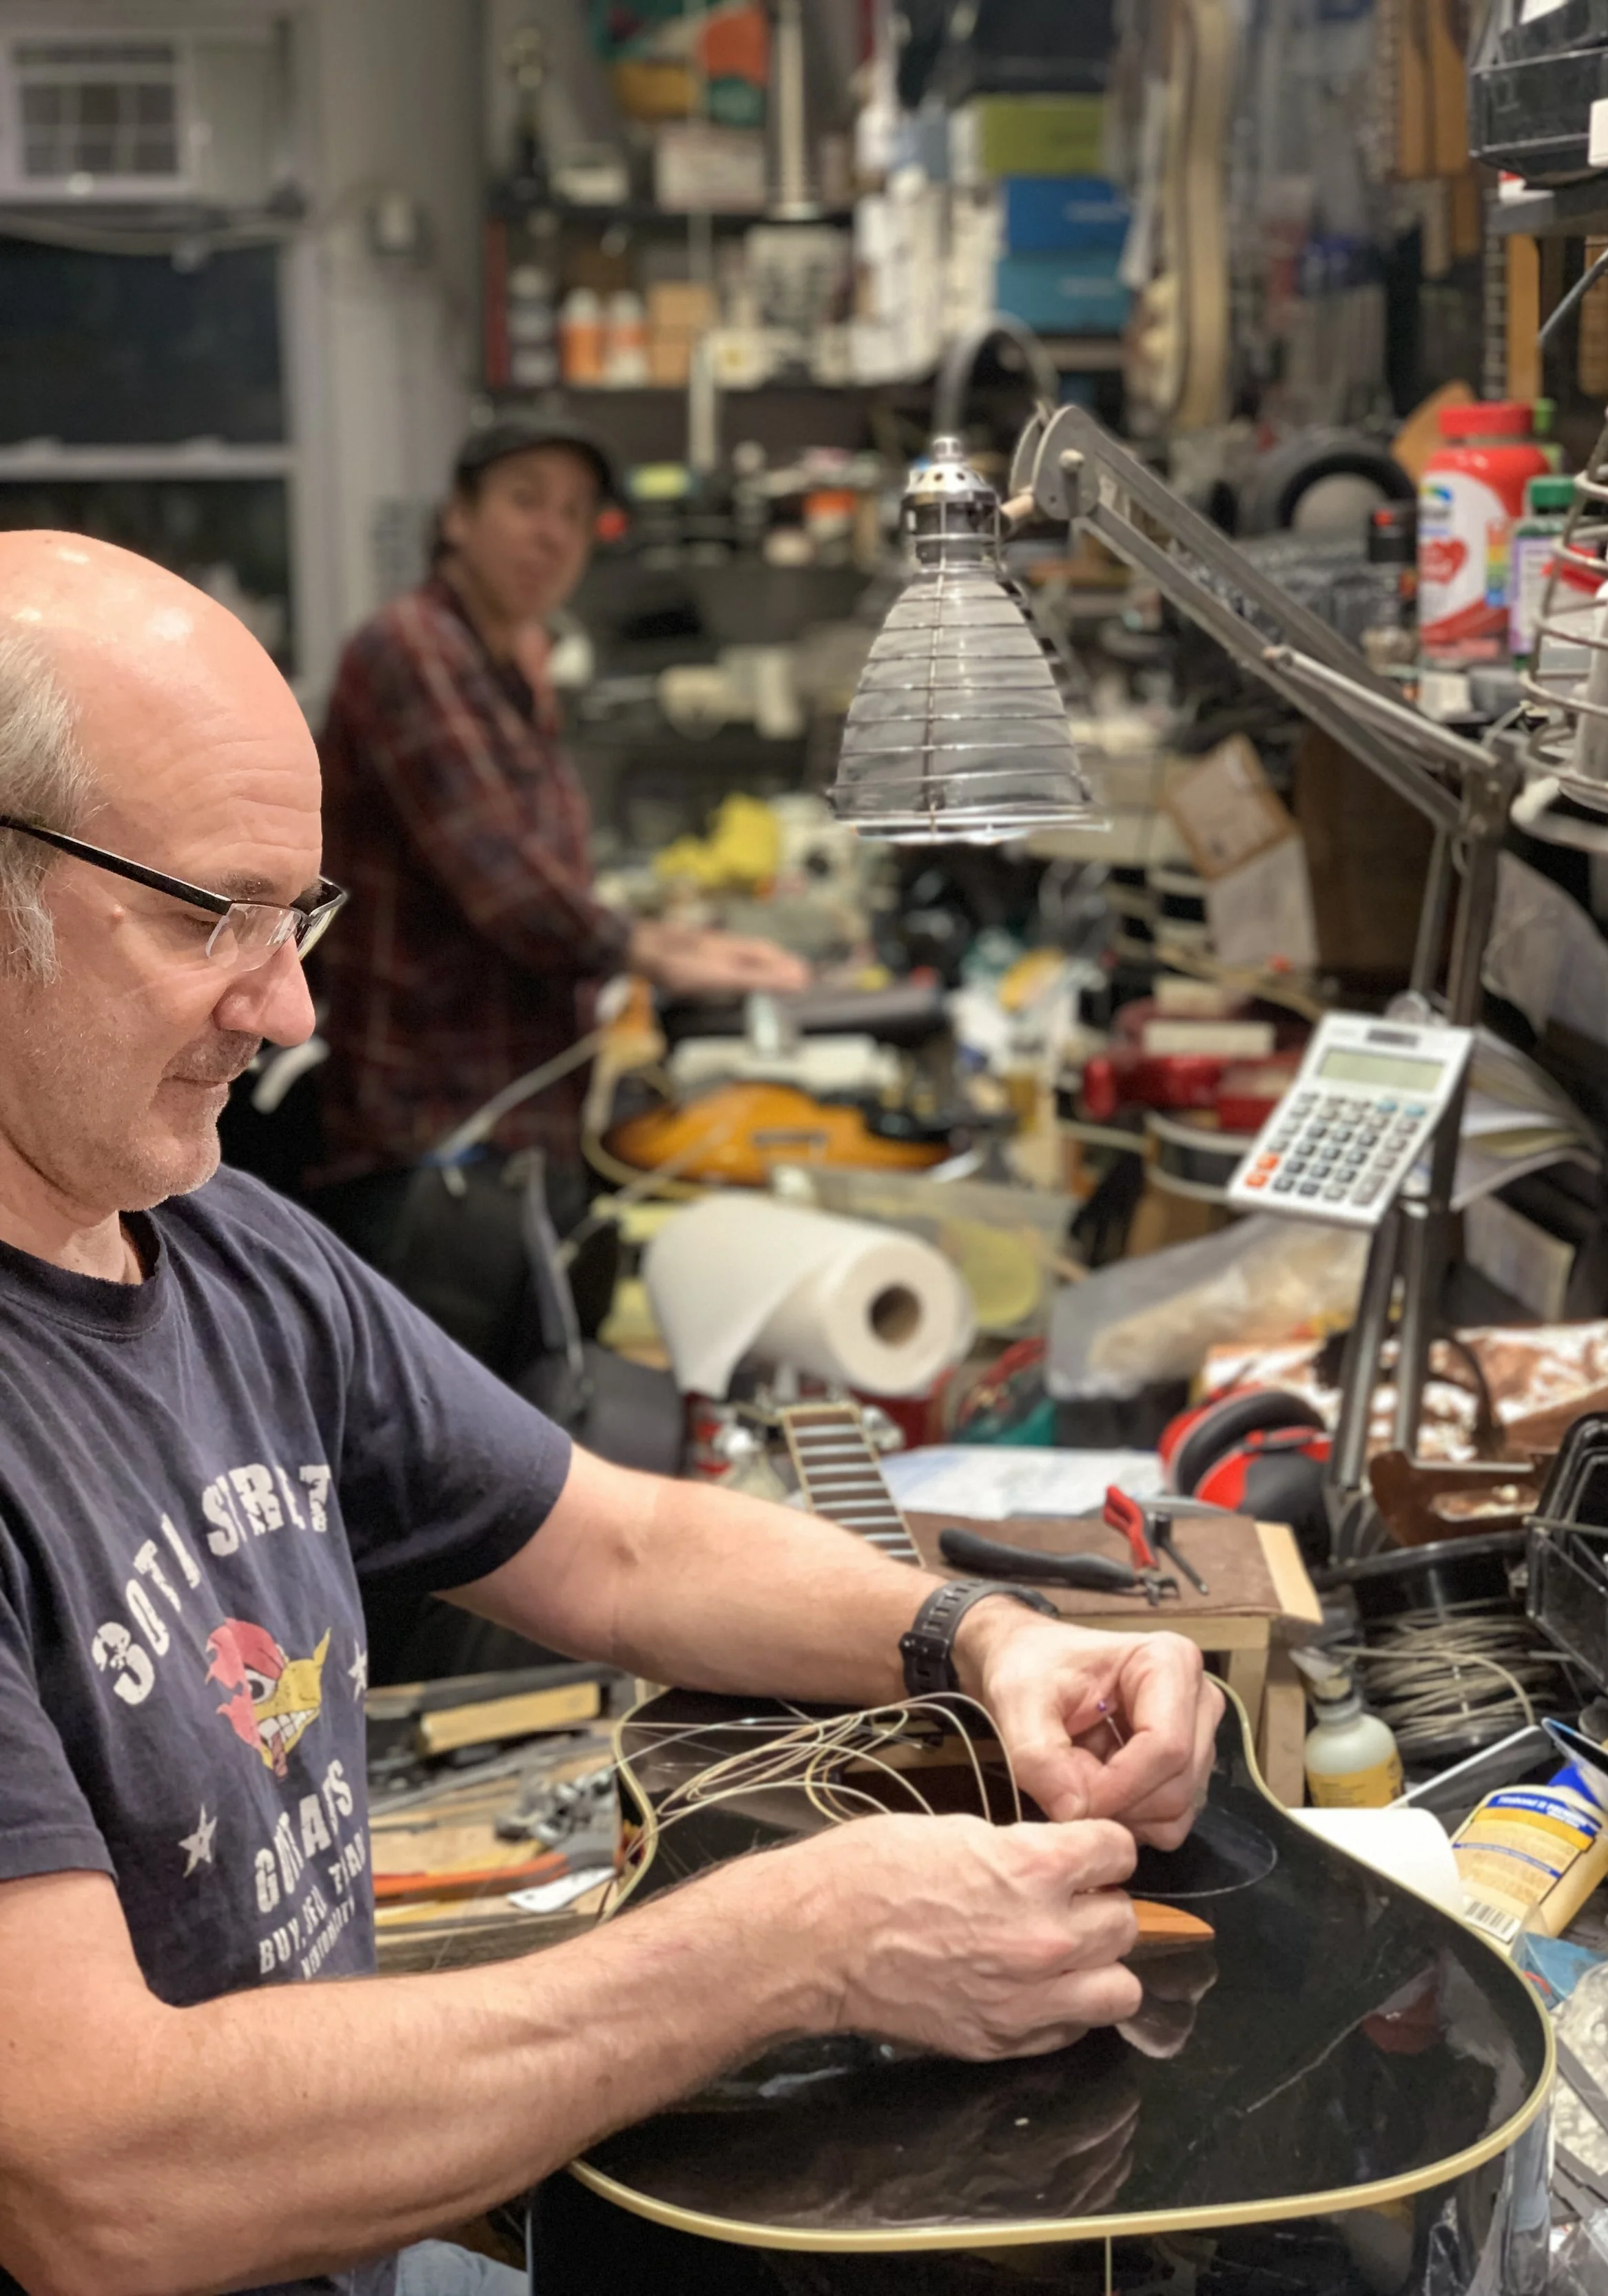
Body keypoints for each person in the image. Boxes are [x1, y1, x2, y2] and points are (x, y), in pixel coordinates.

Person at [0, 532, 1222, 2296]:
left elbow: (619, 1537)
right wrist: (792, 1948)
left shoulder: (223, 1249)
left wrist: (988, 1639)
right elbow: (99, 2182)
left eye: (301, 914)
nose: (288, 1005)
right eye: (209, 918)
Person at [311, 411, 808, 1244]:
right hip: (431, 1138)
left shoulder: (511, 659)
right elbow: (506, 881)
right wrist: (661, 952)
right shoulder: (414, 647)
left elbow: (547, 869)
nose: (553, 533)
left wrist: (673, 942)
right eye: (525, 500)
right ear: (457, 518)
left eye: (576, 513)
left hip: (513, 1116)